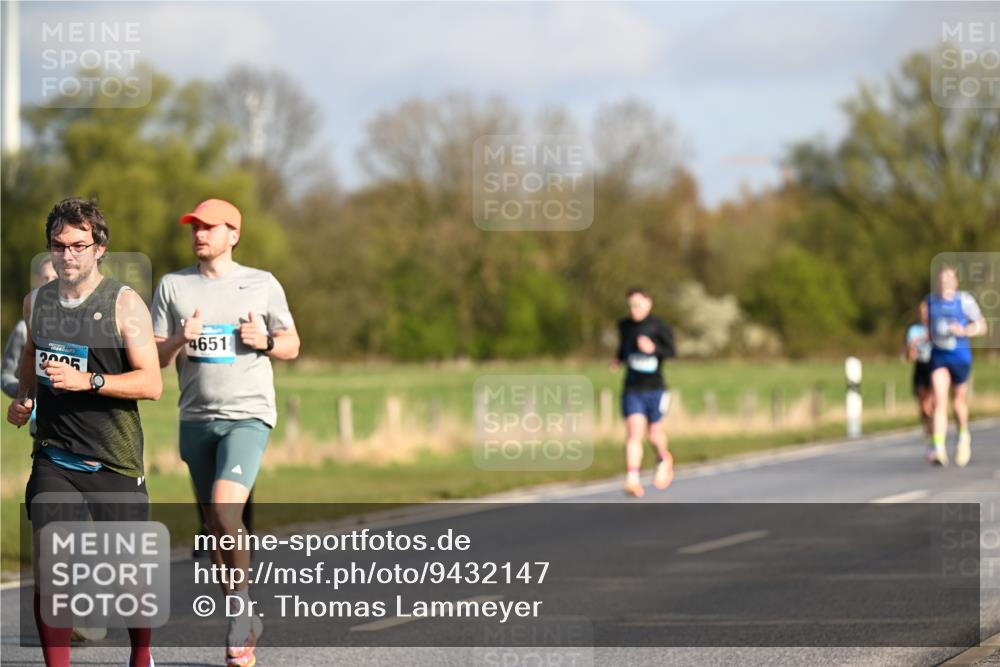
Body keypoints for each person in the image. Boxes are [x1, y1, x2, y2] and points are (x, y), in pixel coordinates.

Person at [6, 197, 162, 667]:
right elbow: (31, 358)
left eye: (78, 245)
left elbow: (151, 383)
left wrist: (90, 381)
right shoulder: (38, 302)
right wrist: (26, 398)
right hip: (55, 456)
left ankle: (141, 656)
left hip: (113, 460)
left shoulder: (124, 303)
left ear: (99, 249)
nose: (67, 255)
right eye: (58, 246)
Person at [152, 198, 299, 667]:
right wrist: (181, 338)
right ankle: (242, 612)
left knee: (223, 508)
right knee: (216, 527)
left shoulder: (262, 284)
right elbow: (154, 356)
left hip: (248, 414)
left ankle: (238, 619)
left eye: (209, 227)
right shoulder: (173, 286)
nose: (199, 234)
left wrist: (268, 342)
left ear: (233, 234)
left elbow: (292, 343)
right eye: (194, 226)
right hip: (195, 418)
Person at [610, 287, 676, 498]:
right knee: (633, 431)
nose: (634, 309)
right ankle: (632, 477)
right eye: (631, 305)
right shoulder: (625, 326)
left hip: (655, 388)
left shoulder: (659, 326)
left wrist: (653, 349)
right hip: (632, 388)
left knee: (654, 433)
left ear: (649, 304)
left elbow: (672, 352)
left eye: (638, 305)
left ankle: (663, 458)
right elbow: (624, 347)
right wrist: (618, 359)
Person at [923, 265, 986, 467]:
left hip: (960, 356)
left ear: (955, 282)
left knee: (957, 402)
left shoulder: (964, 300)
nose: (944, 284)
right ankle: (939, 448)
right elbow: (926, 330)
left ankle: (963, 436)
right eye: (941, 280)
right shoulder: (930, 302)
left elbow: (982, 326)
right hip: (939, 356)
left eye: (948, 280)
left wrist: (964, 330)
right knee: (939, 402)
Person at [904, 307, 934, 462]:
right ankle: (930, 436)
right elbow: (909, 357)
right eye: (921, 311)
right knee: (924, 408)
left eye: (926, 311)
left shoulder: (937, 328)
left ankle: (936, 442)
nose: (924, 314)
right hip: (920, 369)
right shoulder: (914, 330)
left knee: (931, 405)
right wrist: (912, 346)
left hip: (934, 367)